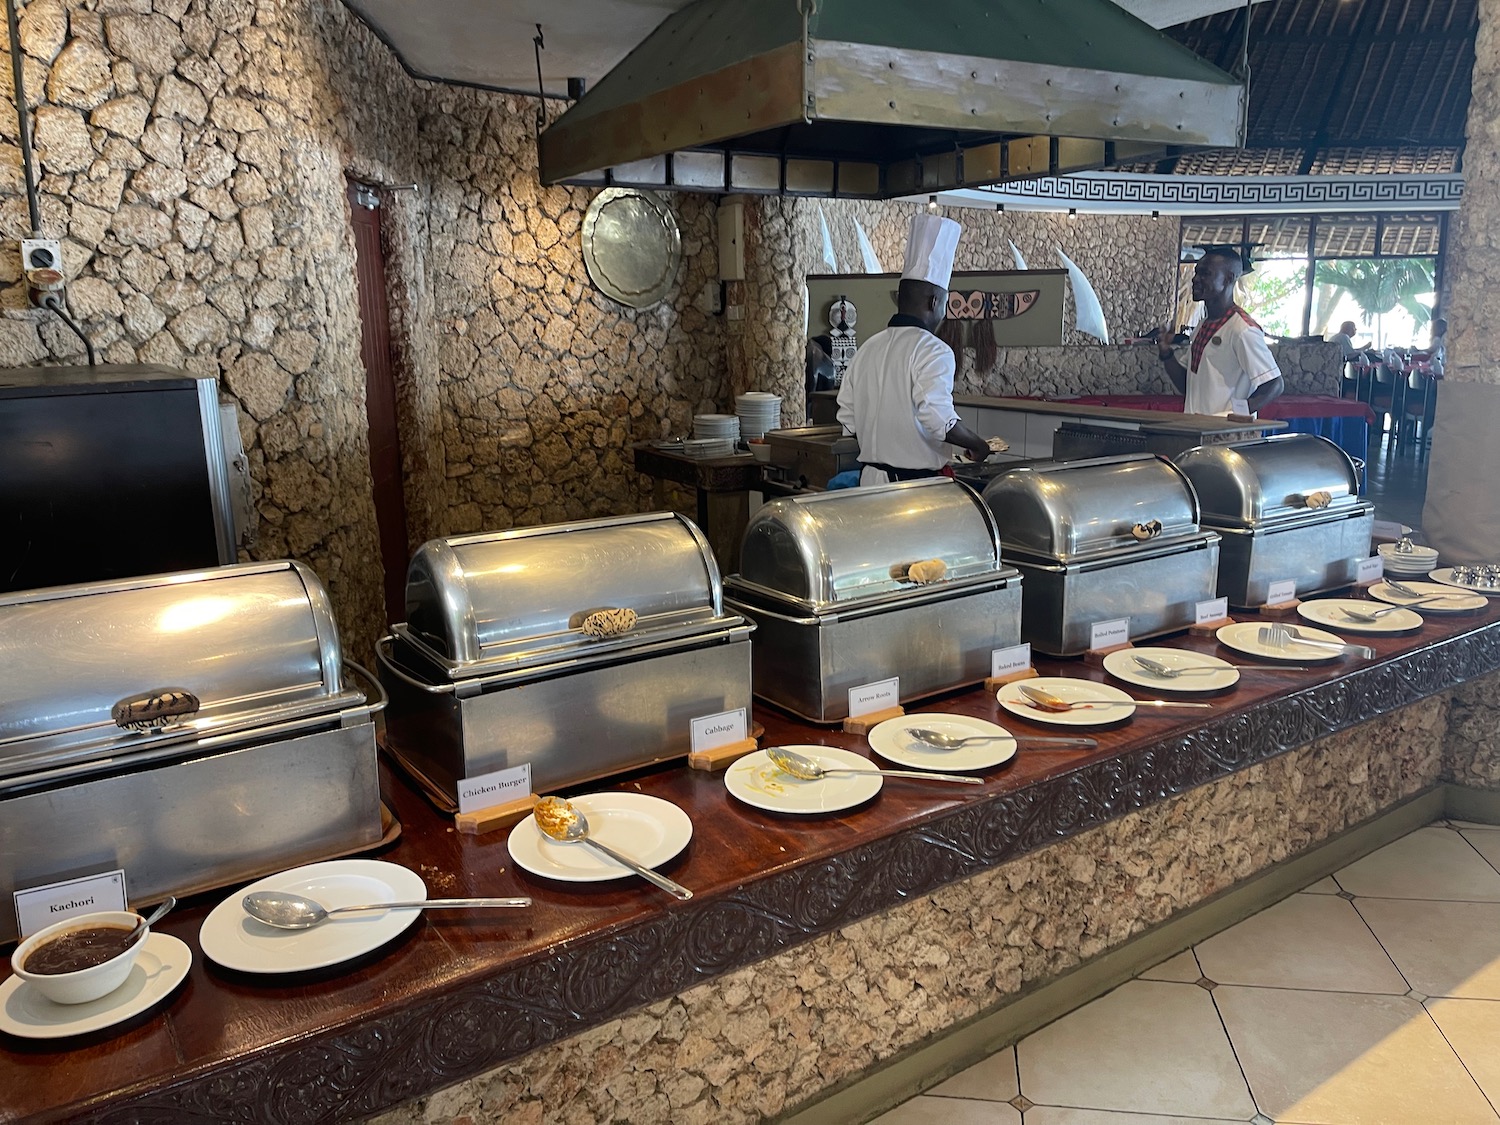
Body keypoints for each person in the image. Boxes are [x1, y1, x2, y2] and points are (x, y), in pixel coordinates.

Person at [836, 214, 991, 485]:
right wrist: (978, 445)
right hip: (915, 490)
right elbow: (938, 419)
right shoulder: (935, 351)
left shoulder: (867, 349)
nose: (944, 312)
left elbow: (848, 420)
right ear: (934, 302)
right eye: (945, 303)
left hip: (869, 484)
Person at [1157, 247, 1284, 417]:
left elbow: (1274, 384)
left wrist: (1236, 415)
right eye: (1196, 273)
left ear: (1228, 278)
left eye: (1205, 274)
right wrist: (1166, 353)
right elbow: (1187, 385)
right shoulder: (1202, 325)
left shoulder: (1243, 330)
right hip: (1197, 429)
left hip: (1224, 436)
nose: (1195, 279)